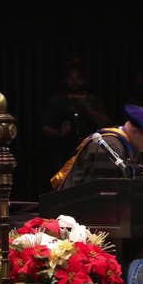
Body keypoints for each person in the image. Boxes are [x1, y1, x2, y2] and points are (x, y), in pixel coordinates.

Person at [52, 104, 143, 190]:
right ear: (135, 131)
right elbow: (101, 191)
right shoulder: (109, 146)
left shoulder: (127, 145)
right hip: (74, 209)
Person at [40, 58, 111, 191]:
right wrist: (59, 132)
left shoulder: (92, 100)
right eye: (71, 78)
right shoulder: (57, 101)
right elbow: (44, 127)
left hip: (90, 152)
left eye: (78, 78)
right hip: (64, 153)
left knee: (88, 187)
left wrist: (88, 110)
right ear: (65, 79)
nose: (74, 82)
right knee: (63, 187)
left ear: (84, 80)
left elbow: (107, 124)